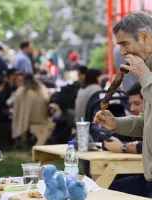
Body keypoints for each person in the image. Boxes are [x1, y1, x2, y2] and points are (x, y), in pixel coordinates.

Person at [94, 12, 152, 197]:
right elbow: (146, 123)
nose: (123, 52)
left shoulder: (147, 75)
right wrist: (116, 124)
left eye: (125, 43)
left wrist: (144, 77)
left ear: (144, 36)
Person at [104, 82, 143, 154]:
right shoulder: (139, 123)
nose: (132, 109)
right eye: (130, 104)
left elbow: (147, 147)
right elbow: (111, 140)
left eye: (137, 103)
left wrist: (124, 147)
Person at [12, 73, 49, 147]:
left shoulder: (21, 91)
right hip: (41, 118)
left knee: (18, 117)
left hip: (26, 120)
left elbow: (16, 109)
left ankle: (18, 140)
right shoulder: (42, 88)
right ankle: (31, 139)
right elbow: (47, 101)